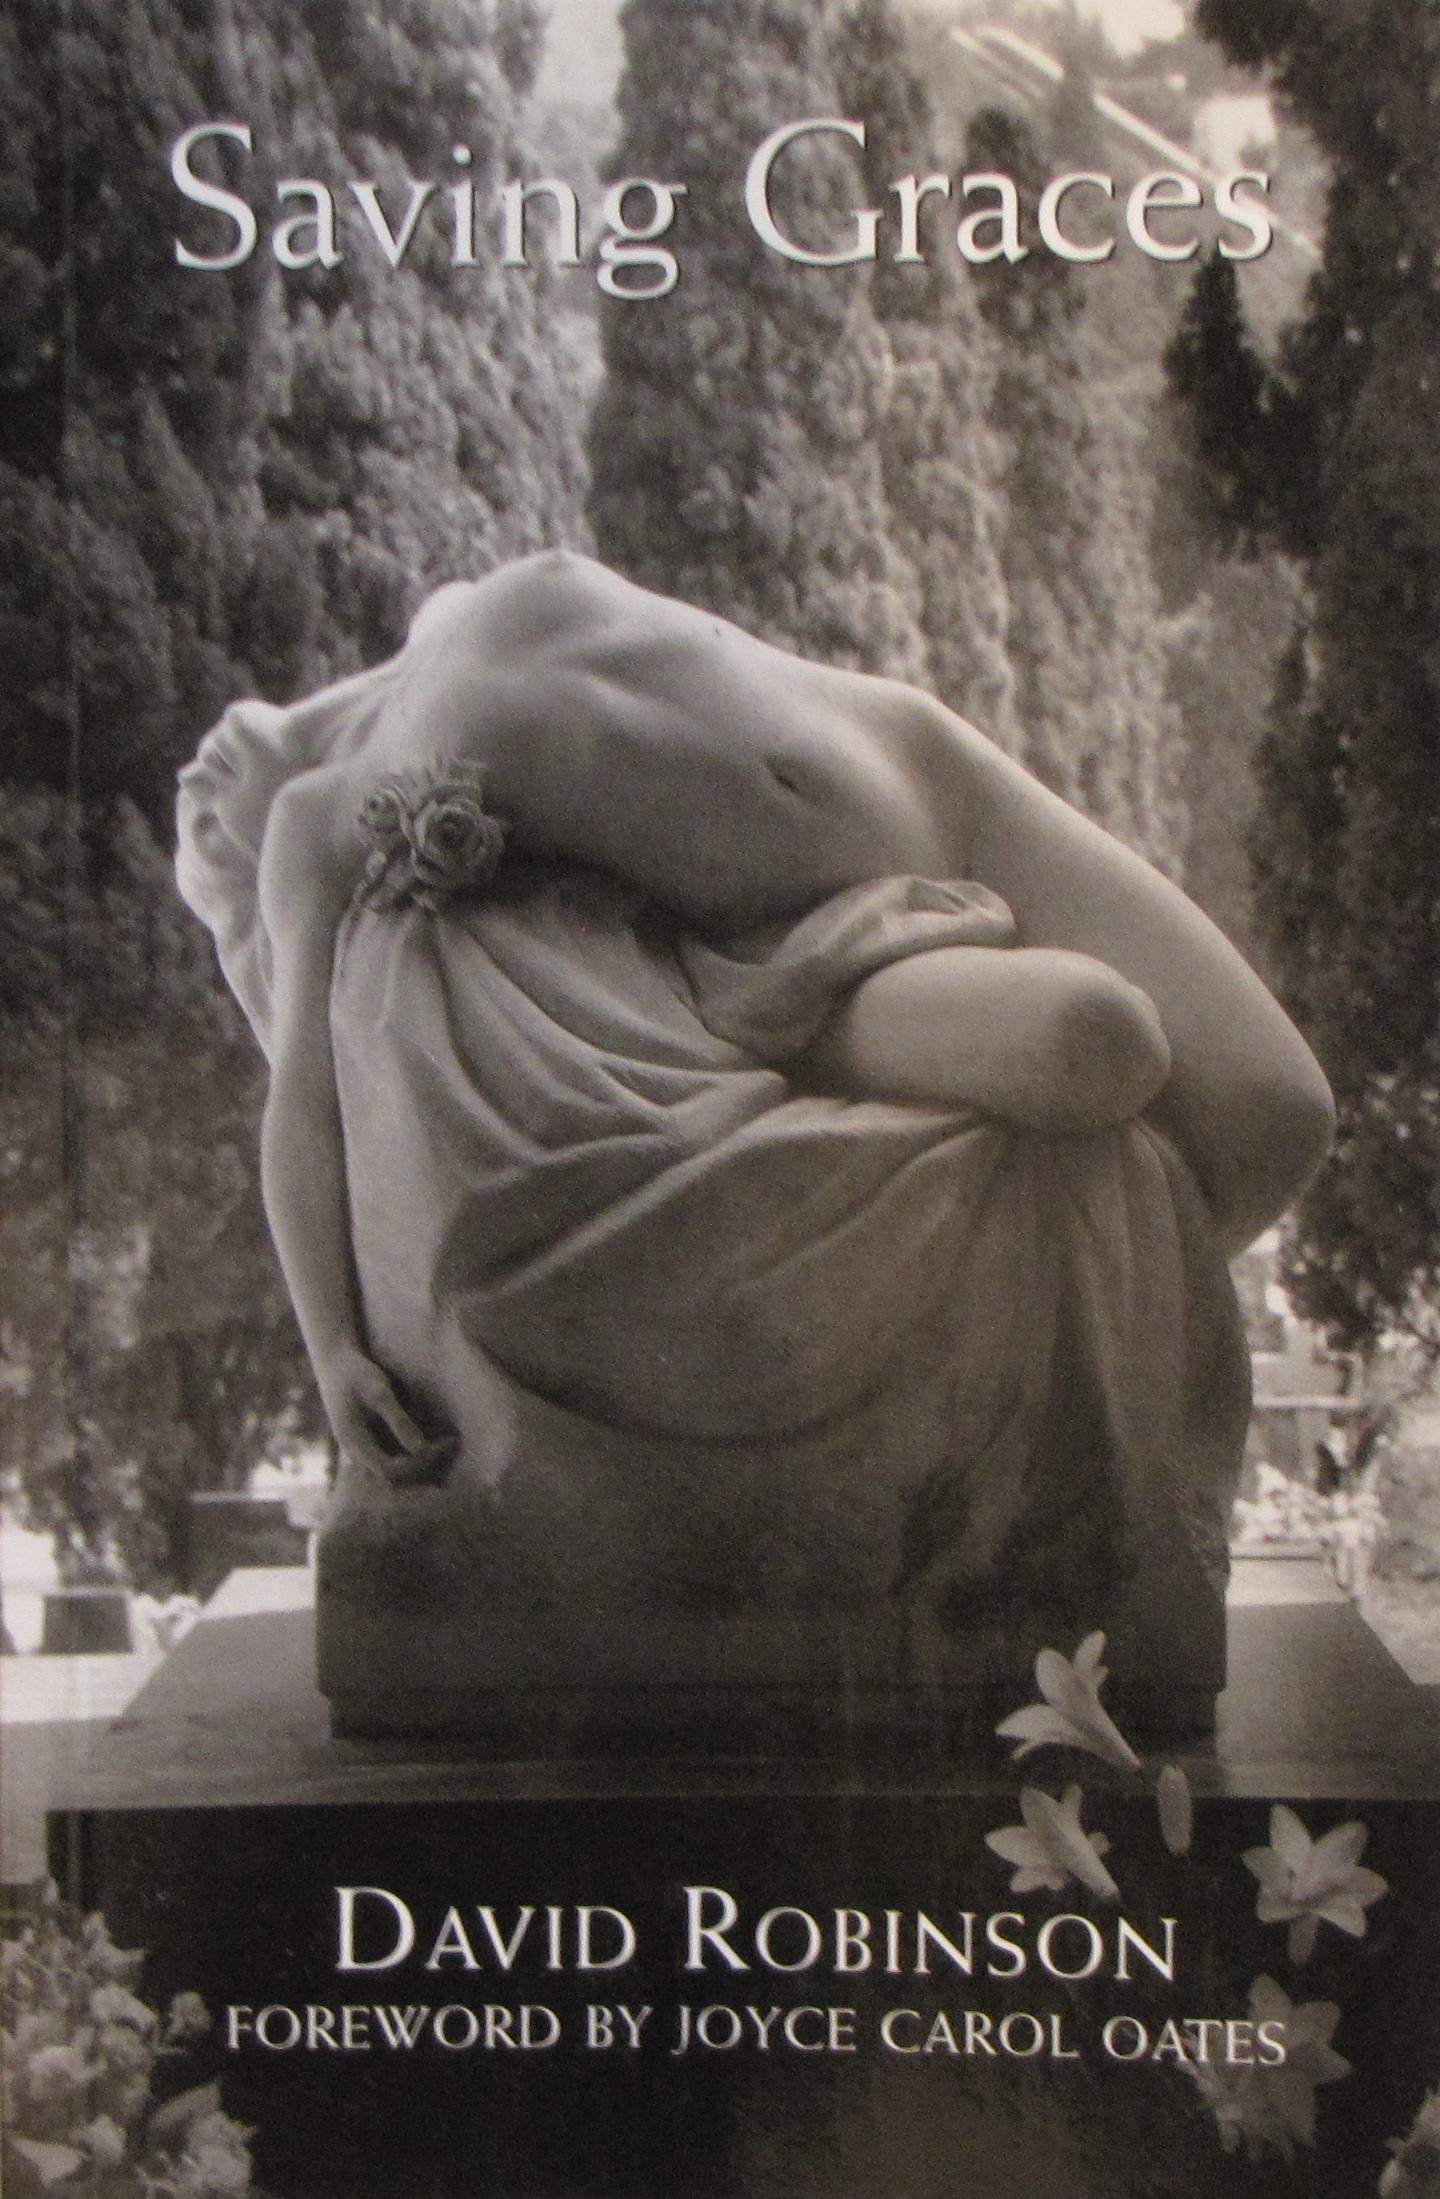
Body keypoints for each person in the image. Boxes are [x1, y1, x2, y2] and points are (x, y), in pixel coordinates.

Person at [178, 552, 1332, 1630]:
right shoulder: (317, 825)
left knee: (1279, 1111)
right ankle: (1045, 1421)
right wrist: (334, 1350)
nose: (196, 784)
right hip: (819, 952)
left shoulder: (448, 618)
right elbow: (308, 1109)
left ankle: (1082, 1413)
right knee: (1108, 1046)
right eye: (197, 841)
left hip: (927, 767)